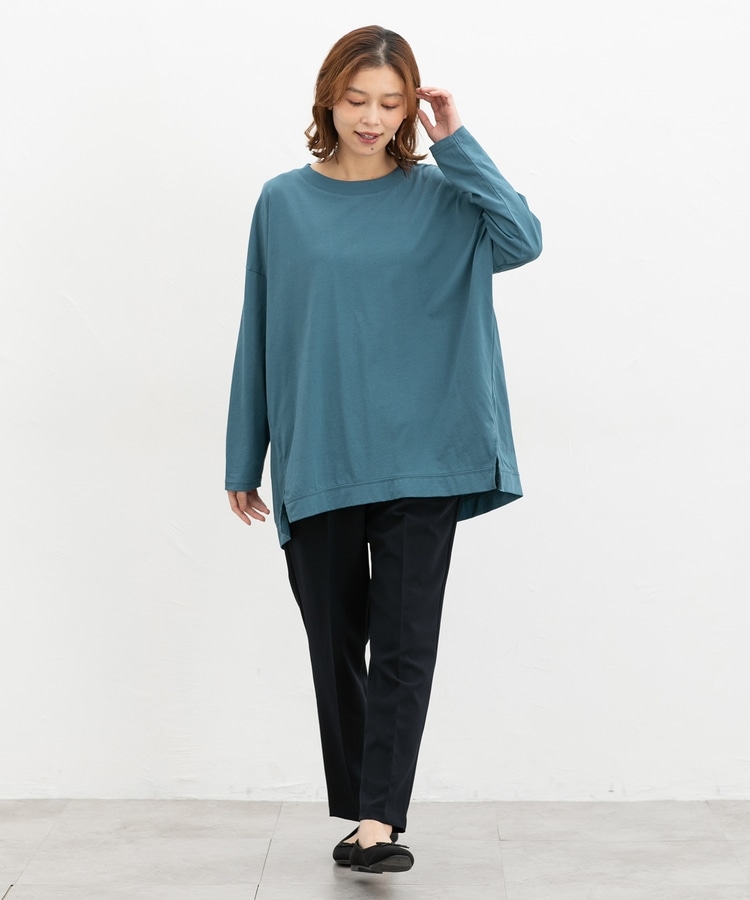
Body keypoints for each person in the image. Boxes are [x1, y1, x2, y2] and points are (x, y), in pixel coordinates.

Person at [225, 24, 542, 875]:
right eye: (358, 100)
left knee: (403, 644)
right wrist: (242, 456)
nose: (372, 118)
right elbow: (260, 329)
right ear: (328, 99)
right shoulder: (282, 203)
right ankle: (364, 806)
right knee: (335, 642)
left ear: (410, 111)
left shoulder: (445, 196)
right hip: (320, 452)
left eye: (392, 103)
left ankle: (376, 824)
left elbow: (523, 238)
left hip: (425, 452)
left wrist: (457, 140)